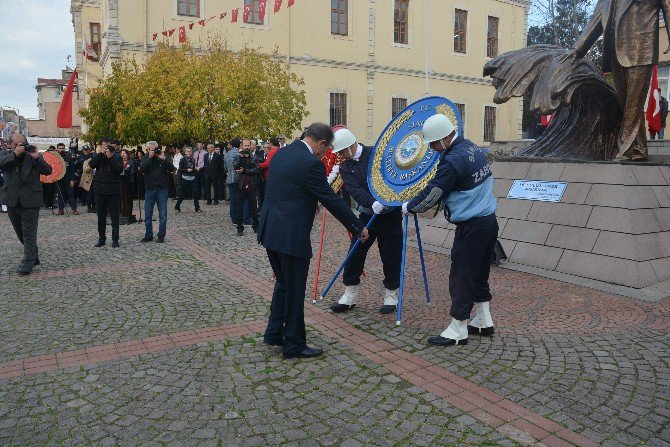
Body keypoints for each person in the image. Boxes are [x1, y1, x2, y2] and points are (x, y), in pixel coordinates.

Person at [258, 122, 369, 359]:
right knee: (295, 290)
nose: (326, 154)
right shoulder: (310, 164)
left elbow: (288, 188)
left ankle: (274, 332)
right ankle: (294, 345)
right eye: (326, 149)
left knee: (283, 284)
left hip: (271, 230)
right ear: (320, 144)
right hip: (291, 235)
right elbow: (331, 198)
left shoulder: (282, 153)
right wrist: (357, 226)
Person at [402, 114, 498, 347]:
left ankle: (458, 328)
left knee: (461, 276)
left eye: (434, 143)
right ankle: (484, 321)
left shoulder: (452, 161)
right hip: (489, 222)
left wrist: (409, 206)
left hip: (471, 225)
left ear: (445, 138)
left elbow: (434, 193)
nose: (433, 148)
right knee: (479, 274)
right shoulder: (471, 147)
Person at [572, 0, 670, 160]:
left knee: (633, 102)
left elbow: (667, 6)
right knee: (628, 106)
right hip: (615, 50)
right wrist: (578, 49)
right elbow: (597, 17)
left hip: (641, 48)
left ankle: (623, 149)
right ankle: (639, 149)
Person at [329, 129, 402, 315]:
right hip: (367, 215)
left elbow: (394, 175)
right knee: (355, 253)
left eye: (342, 151)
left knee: (390, 255)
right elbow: (354, 190)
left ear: (351, 145)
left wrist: (391, 199)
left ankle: (391, 295)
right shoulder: (346, 166)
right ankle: (350, 293)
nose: (340, 156)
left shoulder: (376, 153)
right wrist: (372, 202)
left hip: (390, 215)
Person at [0, 135, 52, 275]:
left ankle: (27, 263)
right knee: (21, 233)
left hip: (30, 201)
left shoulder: (32, 155)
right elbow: (2, 164)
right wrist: (15, 155)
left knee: (29, 234)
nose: (20, 146)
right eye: (16, 143)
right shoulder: (5, 154)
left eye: (22, 143)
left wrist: (37, 157)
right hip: (12, 201)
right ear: (11, 143)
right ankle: (33, 255)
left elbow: (48, 171)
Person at [140, 141, 176, 243]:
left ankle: (161, 235)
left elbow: (172, 169)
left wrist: (163, 158)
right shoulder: (145, 158)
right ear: (147, 150)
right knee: (148, 214)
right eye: (151, 149)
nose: (153, 151)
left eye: (155, 149)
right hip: (150, 189)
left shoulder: (162, 157)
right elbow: (142, 169)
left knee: (163, 215)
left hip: (162, 189)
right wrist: (150, 158)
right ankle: (148, 235)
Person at [90, 139, 123, 248]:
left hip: (113, 191)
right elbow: (91, 164)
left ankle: (115, 239)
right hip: (100, 190)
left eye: (107, 146)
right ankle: (101, 239)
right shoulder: (98, 156)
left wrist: (110, 157)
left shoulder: (117, 156)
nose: (106, 148)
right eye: (103, 146)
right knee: (101, 216)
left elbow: (118, 170)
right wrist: (100, 154)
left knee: (114, 216)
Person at [234, 145, 260, 236]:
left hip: (251, 186)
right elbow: (236, 168)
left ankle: (256, 227)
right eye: (244, 152)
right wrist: (240, 158)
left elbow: (256, 170)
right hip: (240, 186)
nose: (245, 154)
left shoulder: (255, 158)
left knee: (253, 208)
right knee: (239, 208)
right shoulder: (238, 157)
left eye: (248, 146)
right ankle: (240, 228)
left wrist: (245, 170)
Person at [224, 138, 250, 225]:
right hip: (239, 179)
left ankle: (234, 219)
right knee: (245, 199)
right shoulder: (240, 154)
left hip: (230, 179)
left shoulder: (227, 154)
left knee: (233, 200)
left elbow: (225, 168)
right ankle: (246, 219)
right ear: (240, 145)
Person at [55, 143, 79, 215]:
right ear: (57, 149)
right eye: (60, 148)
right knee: (60, 195)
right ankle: (61, 209)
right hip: (59, 180)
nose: (61, 149)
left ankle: (74, 209)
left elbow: (72, 170)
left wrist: (72, 180)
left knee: (71, 195)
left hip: (68, 180)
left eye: (62, 148)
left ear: (64, 149)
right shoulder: (55, 158)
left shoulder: (69, 158)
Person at [175, 146, 201, 213]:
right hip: (185, 178)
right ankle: (177, 206)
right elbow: (180, 169)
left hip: (193, 178)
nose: (189, 153)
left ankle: (197, 208)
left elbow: (194, 169)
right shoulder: (182, 160)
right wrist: (186, 170)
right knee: (183, 194)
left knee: (195, 193)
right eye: (188, 151)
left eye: (190, 151)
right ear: (185, 152)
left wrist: (195, 169)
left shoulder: (193, 159)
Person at [76, 145, 95, 213]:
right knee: (86, 192)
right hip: (83, 176)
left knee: (93, 193)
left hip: (93, 176)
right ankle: (87, 205)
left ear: (89, 150)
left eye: (87, 150)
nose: (86, 151)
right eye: (85, 150)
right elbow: (77, 167)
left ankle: (93, 207)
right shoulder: (80, 157)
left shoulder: (93, 156)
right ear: (83, 150)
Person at [120, 149, 136, 221]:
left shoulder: (131, 162)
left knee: (129, 198)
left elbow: (133, 172)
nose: (123, 155)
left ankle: (129, 212)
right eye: (122, 154)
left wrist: (126, 173)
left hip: (129, 182)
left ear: (127, 154)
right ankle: (122, 211)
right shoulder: (119, 162)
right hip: (121, 183)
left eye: (125, 153)